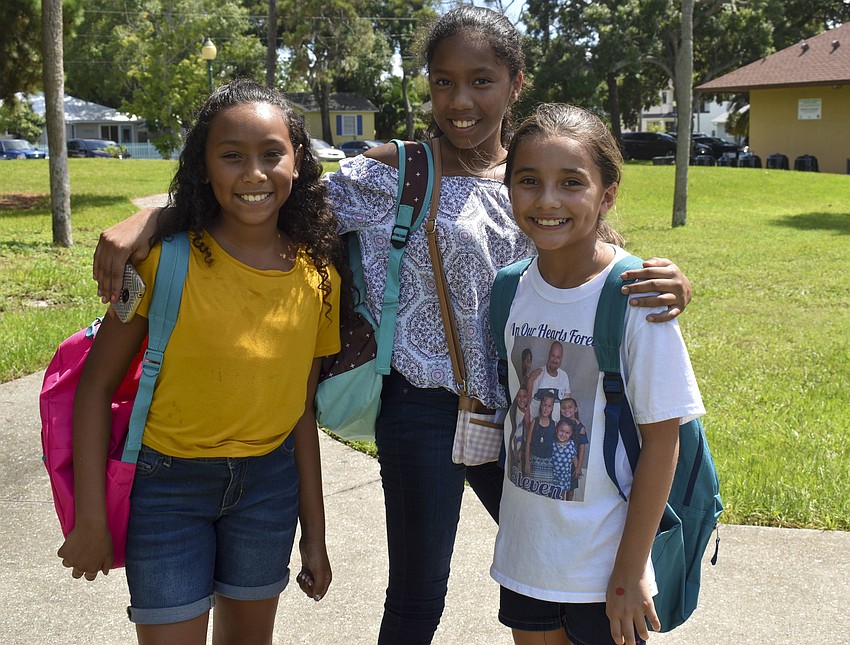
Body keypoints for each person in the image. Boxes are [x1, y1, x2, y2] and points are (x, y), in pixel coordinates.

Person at [90, 9, 694, 644]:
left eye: (481, 81)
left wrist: (672, 282)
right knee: (418, 590)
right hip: (424, 408)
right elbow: (263, 195)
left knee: (565, 561)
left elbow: (598, 258)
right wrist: (151, 220)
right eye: (442, 82)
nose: (460, 101)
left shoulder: (537, 172)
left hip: (526, 409)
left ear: (516, 83)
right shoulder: (395, 174)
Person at [58, 80, 342, 645]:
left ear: (298, 160)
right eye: (231, 156)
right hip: (167, 492)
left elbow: (301, 414)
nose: (254, 174)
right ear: (204, 166)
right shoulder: (162, 262)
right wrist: (90, 517)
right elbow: (93, 390)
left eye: (271, 154)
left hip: (268, 489)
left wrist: (315, 532)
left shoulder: (319, 277)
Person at [491, 103, 705, 645]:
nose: (547, 201)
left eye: (571, 183)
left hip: (608, 571)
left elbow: (663, 440)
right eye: (528, 181)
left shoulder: (635, 297)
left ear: (606, 193)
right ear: (509, 187)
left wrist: (631, 572)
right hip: (527, 559)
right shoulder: (507, 290)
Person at [551, 419, 579, 500]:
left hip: (564, 476)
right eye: (561, 431)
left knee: (561, 494)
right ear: (557, 429)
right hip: (553, 475)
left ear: (571, 434)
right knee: (552, 494)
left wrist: (577, 468)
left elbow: (574, 457)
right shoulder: (553, 443)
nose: (563, 434)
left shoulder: (571, 444)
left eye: (567, 433)